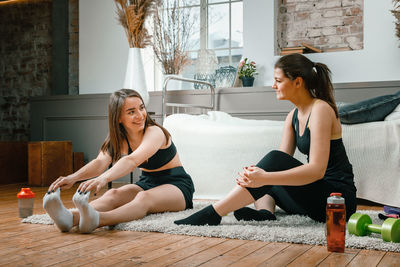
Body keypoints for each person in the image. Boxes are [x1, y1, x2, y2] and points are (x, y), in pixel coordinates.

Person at [174, 53, 357, 226]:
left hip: (337, 201)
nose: (273, 85)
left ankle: (214, 213)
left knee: (269, 168)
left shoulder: (320, 110)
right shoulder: (293, 116)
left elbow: (316, 170)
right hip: (314, 201)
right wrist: (259, 175)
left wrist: (264, 176)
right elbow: (280, 162)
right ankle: (265, 213)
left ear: (298, 82)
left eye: (278, 80)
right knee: (266, 169)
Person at [43, 89, 194, 233]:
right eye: (131, 112)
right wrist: (73, 178)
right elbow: (99, 163)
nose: (140, 115)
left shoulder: (155, 132)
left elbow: (132, 160)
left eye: (141, 108)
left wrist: (103, 178)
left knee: (143, 198)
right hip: (147, 182)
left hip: (177, 185)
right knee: (113, 193)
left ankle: (98, 220)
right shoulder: (120, 139)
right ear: (119, 118)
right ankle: (70, 218)